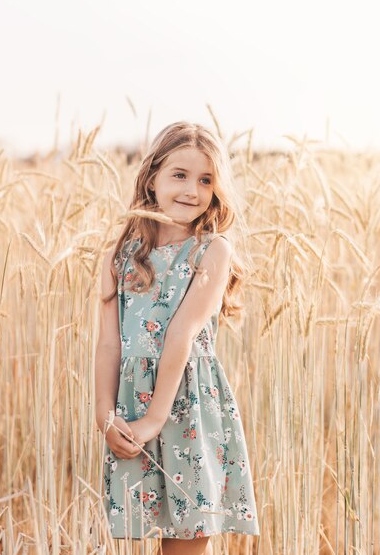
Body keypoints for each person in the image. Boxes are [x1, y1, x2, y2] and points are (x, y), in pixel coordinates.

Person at [95, 121, 260, 555]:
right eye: (179, 175)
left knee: (186, 542)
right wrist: (104, 413)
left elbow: (182, 333)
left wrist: (154, 419)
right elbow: (109, 343)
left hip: (186, 406)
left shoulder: (212, 250)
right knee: (137, 532)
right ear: (152, 179)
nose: (192, 189)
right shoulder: (121, 254)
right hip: (131, 406)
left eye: (206, 180)